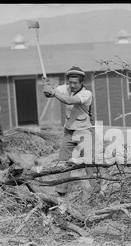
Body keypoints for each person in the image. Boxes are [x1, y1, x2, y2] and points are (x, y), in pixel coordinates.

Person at [42, 66, 101, 197]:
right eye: (70, 82)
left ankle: (96, 192)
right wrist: (46, 87)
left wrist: (52, 91)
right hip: (69, 131)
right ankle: (61, 192)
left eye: (75, 83)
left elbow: (69, 100)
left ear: (81, 83)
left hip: (85, 131)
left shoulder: (86, 94)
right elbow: (49, 94)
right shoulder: (65, 88)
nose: (72, 85)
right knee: (63, 161)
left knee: (89, 162)